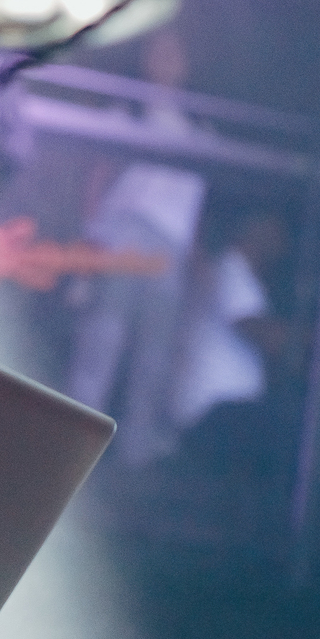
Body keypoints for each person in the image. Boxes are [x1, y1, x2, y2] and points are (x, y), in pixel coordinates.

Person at [65, 29, 207, 465]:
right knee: (104, 337)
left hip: (170, 249)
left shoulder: (200, 125)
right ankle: (74, 440)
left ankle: (136, 451)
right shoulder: (127, 108)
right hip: (126, 235)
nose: (164, 60)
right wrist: (91, 241)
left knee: (154, 354)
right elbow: (100, 175)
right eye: (157, 51)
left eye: (173, 51)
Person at [170, 211, 291, 464]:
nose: (283, 244)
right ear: (257, 230)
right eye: (278, 233)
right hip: (214, 413)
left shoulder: (239, 274)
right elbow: (258, 331)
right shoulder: (230, 270)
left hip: (229, 414)